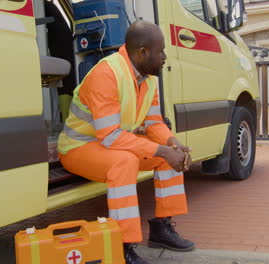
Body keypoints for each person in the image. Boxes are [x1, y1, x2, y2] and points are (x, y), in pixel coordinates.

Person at [57, 21, 194, 264]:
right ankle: (122, 245)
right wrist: (161, 150)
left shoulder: (148, 78)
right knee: (125, 162)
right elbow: (110, 136)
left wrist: (172, 143)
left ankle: (162, 229)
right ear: (143, 52)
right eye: (160, 51)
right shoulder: (106, 73)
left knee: (168, 156)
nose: (164, 57)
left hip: (111, 143)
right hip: (79, 147)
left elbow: (153, 123)